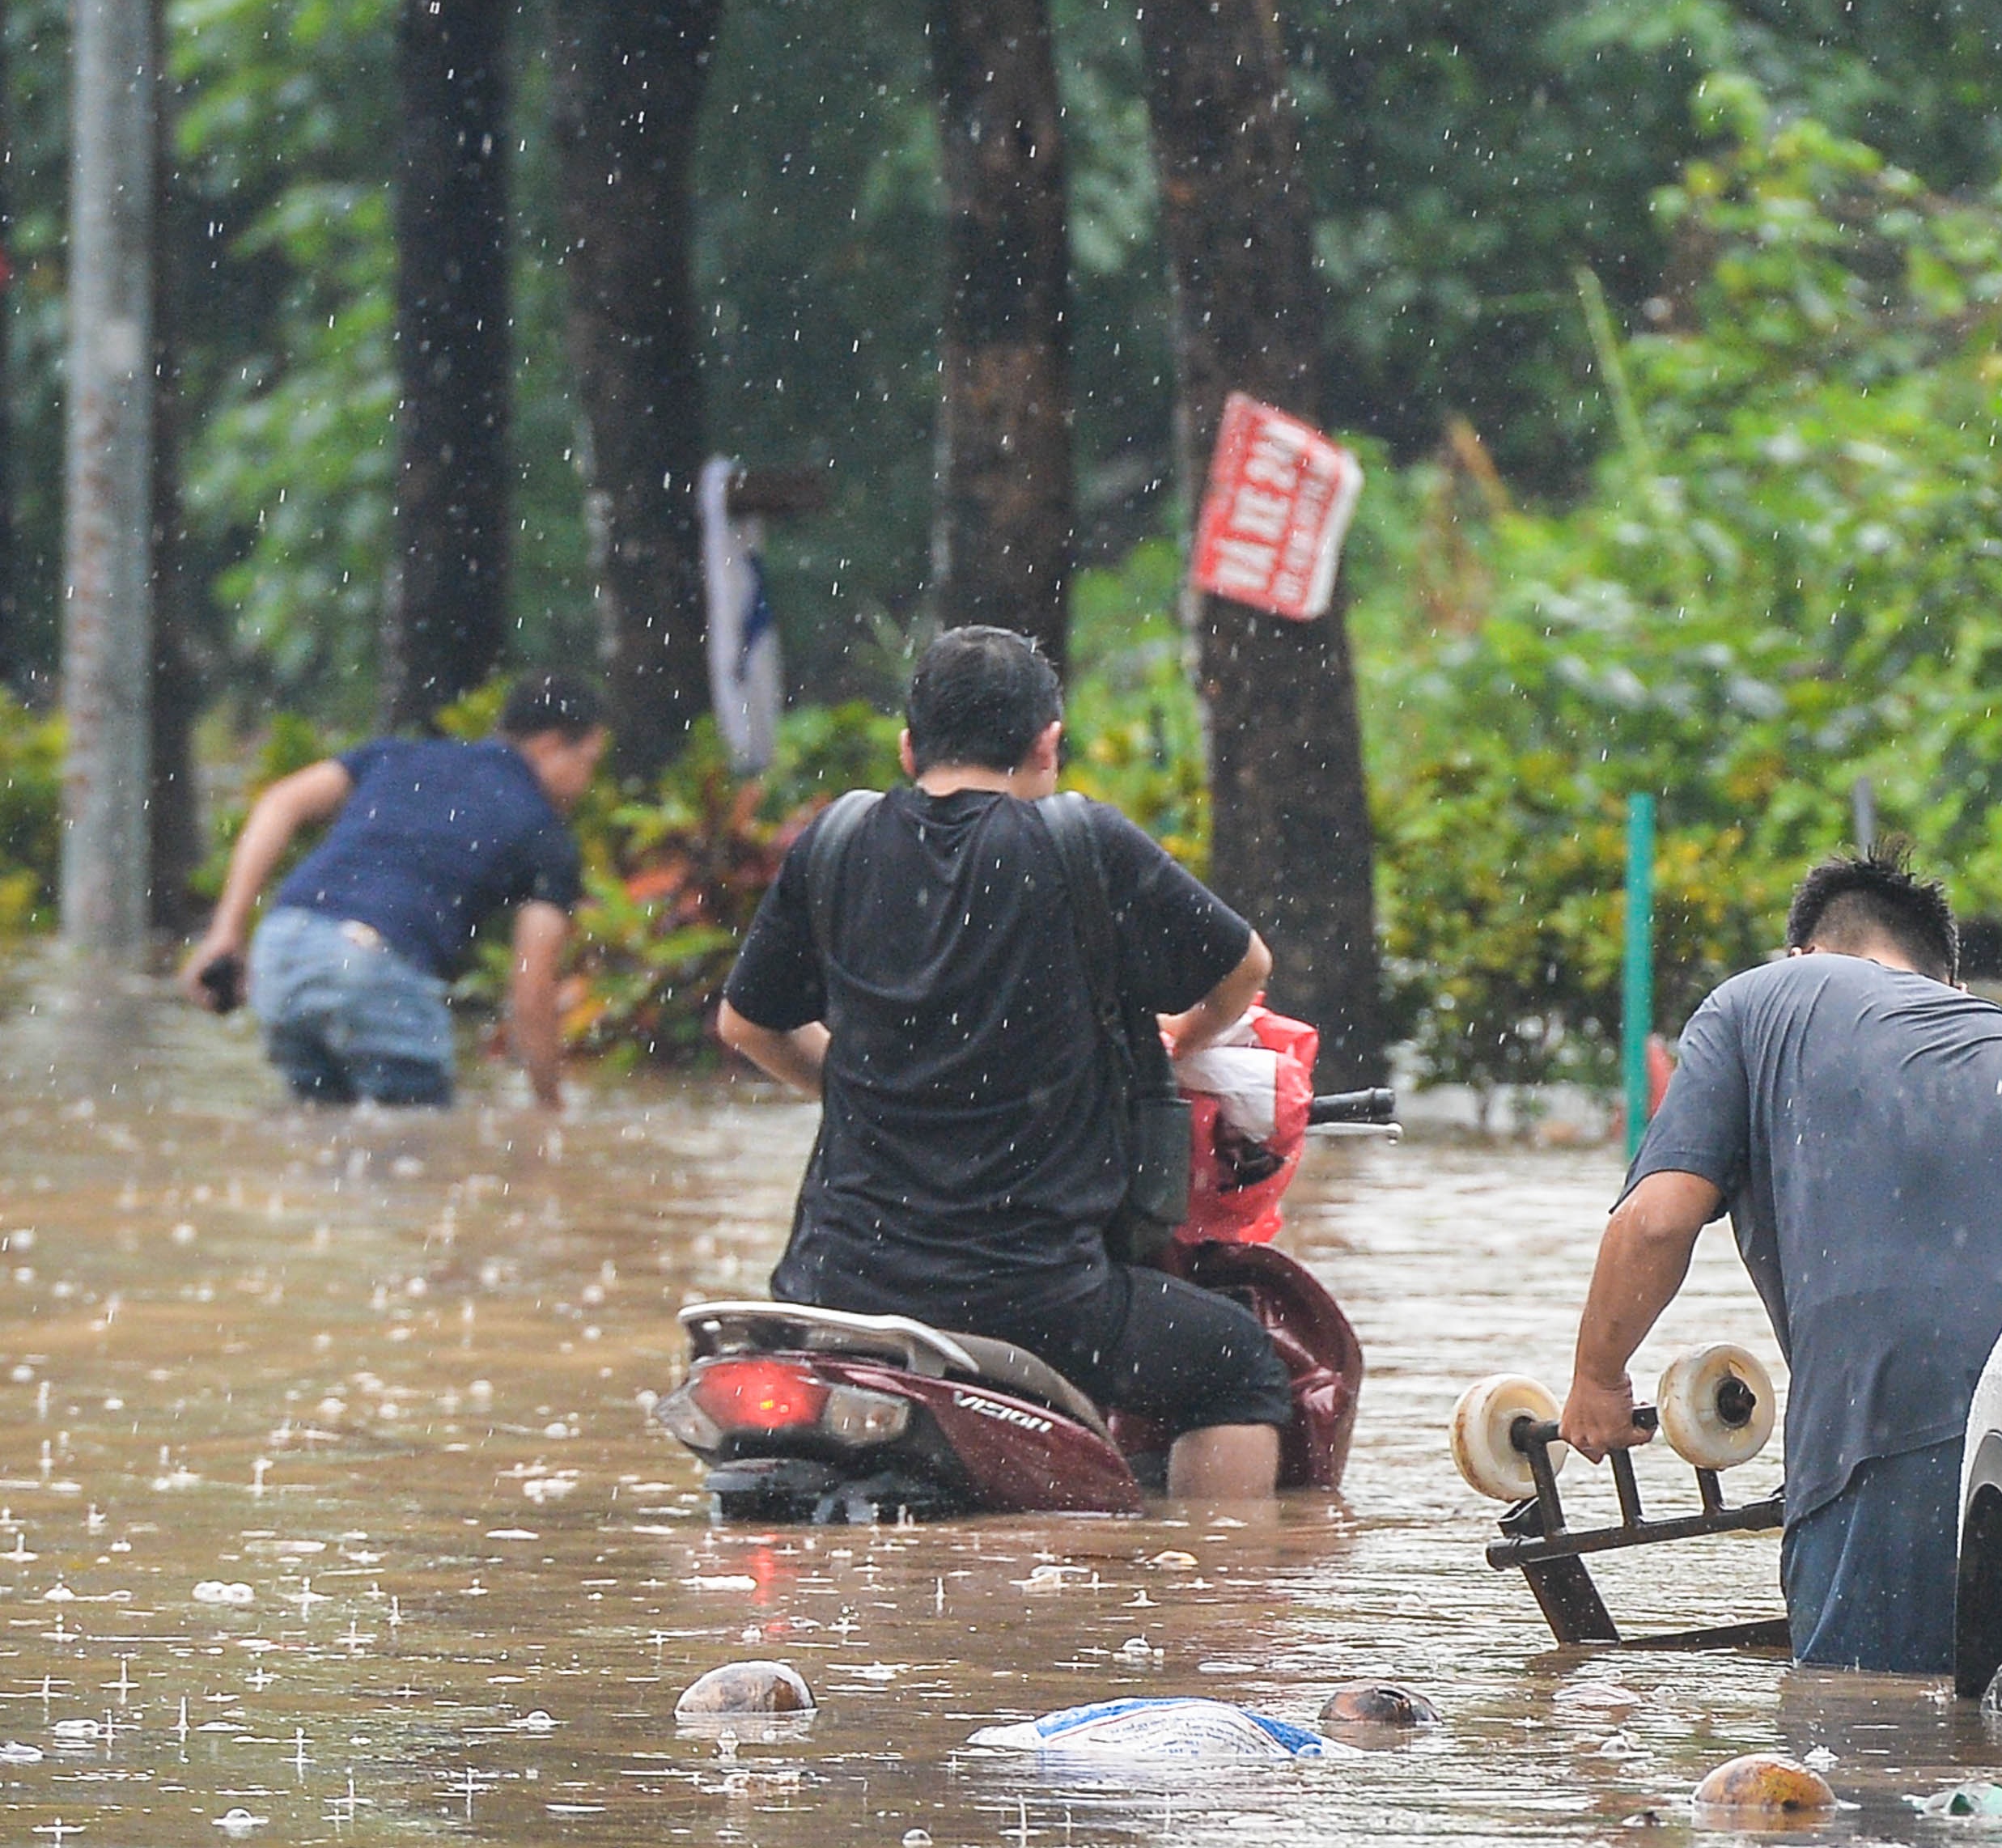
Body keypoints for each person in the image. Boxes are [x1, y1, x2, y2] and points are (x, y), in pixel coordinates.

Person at [709, 626, 1299, 1503]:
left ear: (910, 747)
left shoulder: (835, 843)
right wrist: (1180, 1037)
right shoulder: (1081, 843)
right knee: (1240, 1367)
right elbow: (1244, 970)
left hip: (835, 1288)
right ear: (1046, 743)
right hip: (1032, 1301)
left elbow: (746, 1025)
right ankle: (1206, 1620)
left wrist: (872, 1089)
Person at [1562, 855, 2002, 1673]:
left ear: (1801, 953)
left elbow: (1657, 1222)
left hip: (1889, 1422)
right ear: (1951, 987)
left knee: (1862, 1728)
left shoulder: (1758, 999)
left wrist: (1597, 1378)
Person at [180, 675, 605, 1109]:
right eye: (589, 761)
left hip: (282, 949)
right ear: (551, 745)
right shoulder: (544, 832)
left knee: (320, 1131)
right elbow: (532, 986)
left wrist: (226, 932)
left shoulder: (399, 755)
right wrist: (551, 1111)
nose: (587, 780)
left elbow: (280, 803)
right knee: (416, 1151)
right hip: (372, 965)